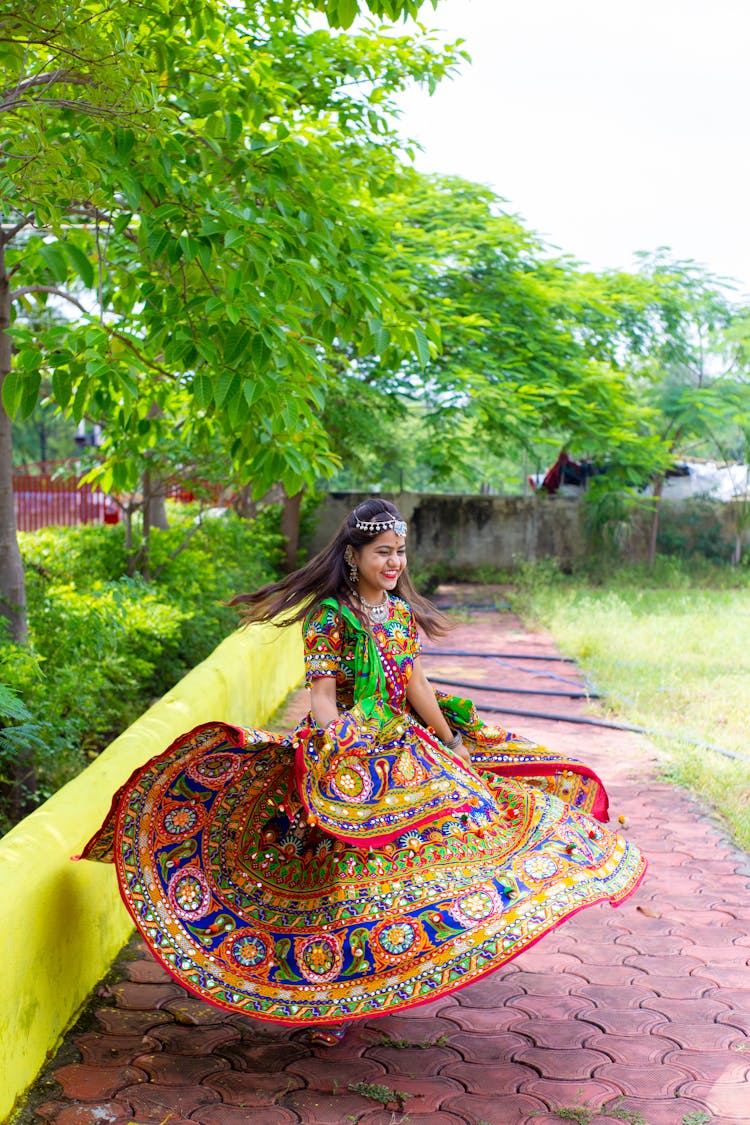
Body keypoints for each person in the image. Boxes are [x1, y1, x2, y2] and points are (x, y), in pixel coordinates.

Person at [81, 497, 645, 1045]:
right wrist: (340, 754)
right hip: (348, 752)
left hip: (404, 743)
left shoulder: (398, 612)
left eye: (399, 551)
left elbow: (416, 682)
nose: (394, 562)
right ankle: (330, 994)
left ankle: (405, 961)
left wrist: (452, 741)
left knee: (462, 828)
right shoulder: (329, 617)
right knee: (342, 881)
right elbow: (322, 696)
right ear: (354, 556)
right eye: (382, 551)